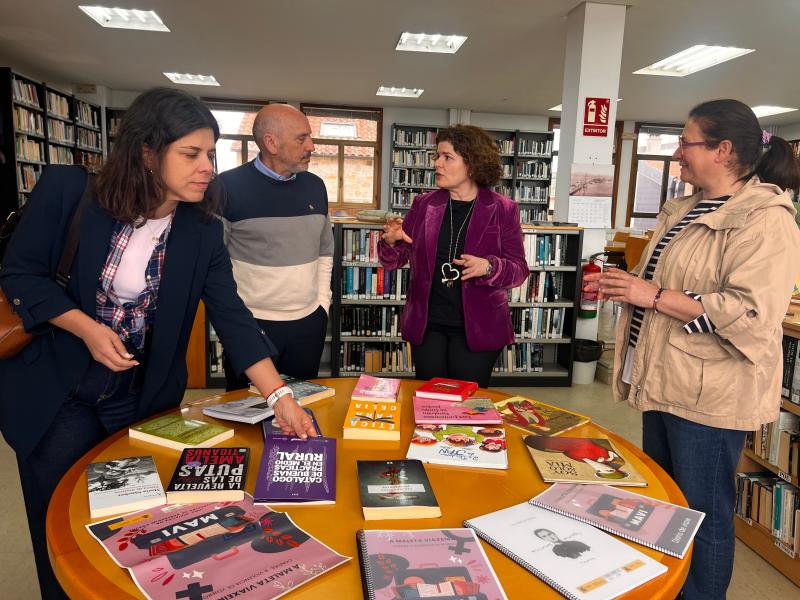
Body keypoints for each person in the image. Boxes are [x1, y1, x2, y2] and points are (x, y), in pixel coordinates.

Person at [0, 88, 315, 599]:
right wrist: (86, 326)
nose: (206, 167)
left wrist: (280, 397)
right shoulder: (69, 191)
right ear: (148, 154)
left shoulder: (202, 232)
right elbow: (21, 274)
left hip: (136, 395)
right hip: (59, 389)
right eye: (191, 154)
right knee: (62, 528)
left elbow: (232, 319)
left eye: (210, 154)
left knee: (134, 524)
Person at [583, 99, 800, 600]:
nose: (677, 153)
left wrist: (651, 296)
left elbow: (750, 313)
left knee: (702, 512)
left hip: (710, 393)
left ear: (723, 150)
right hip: (663, 380)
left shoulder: (766, 219)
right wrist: (624, 285)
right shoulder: (683, 209)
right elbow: (670, 282)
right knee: (666, 505)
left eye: (686, 142)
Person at [379, 125, 528, 388]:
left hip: (479, 327)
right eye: (437, 156)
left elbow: (518, 270)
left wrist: (490, 266)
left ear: (471, 164)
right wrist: (391, 242)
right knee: (430, 401)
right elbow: (396, 259)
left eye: (447, 157)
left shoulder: (503, 209)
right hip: (428, 325)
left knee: (466, 408)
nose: (437, 164)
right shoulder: (424, 205)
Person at [219, 104, 332, 389]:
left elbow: (325, 251)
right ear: (271, 142)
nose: (312, 145)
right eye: (301, 138)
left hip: (308, 323)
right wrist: (236, 319)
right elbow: (214, 264)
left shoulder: (316, 186)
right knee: (247, 410)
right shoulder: (226, 188)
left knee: (303, 409)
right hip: (252, 325)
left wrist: (322, 306)